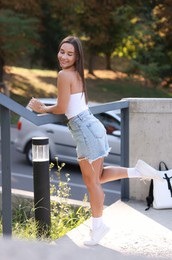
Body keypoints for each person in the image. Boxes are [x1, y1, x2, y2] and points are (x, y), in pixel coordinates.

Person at [28, 35, 163, 246]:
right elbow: (70, 106)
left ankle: (98, 227)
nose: (63, 56)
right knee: (97, 177)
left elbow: (63, 108)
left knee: (92, 184)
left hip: (84, 131)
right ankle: (138, 171)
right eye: (61, 51)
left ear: (77, 56)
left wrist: (42, 108)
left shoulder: (64, 75)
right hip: (91, 127)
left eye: (69, 53)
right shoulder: (76, 74)